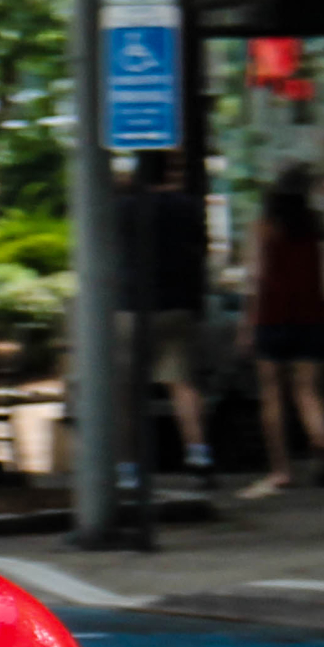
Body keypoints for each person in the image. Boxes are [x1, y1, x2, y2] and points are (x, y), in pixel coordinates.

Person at [237, 164, 324, 499]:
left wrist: (247, 324)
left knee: (272, 394)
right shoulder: (314, 227)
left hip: (272, 316)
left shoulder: (264, 227)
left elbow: (256, 277)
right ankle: (322, 443)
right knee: (308, 390)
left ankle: (281, 469)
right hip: (312, 315)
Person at [119, 160, 215, 489]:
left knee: (128, 392)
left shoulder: (124, 209)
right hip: (177, 305)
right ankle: (199, 456)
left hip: (131, 306)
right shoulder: (187, 208)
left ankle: (129, 471)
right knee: (183, 385)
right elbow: (202, 248)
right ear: (169, 174)